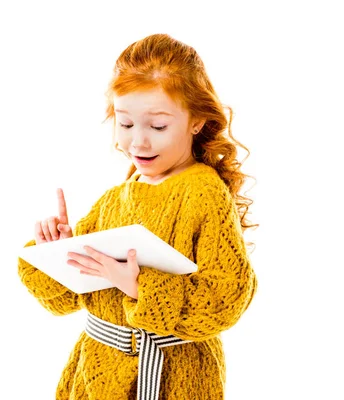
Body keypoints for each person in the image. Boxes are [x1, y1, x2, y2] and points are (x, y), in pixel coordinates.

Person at [17, 33, 257, 400]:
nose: (138, 143)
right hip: (96, 371)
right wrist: (59, 251)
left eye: (158, 127)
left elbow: (226, 296)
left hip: (171, 376)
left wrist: (140, 286)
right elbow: (67, 299)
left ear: (196, 120)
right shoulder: (114, 199)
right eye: (126, 124)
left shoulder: (203, 192)